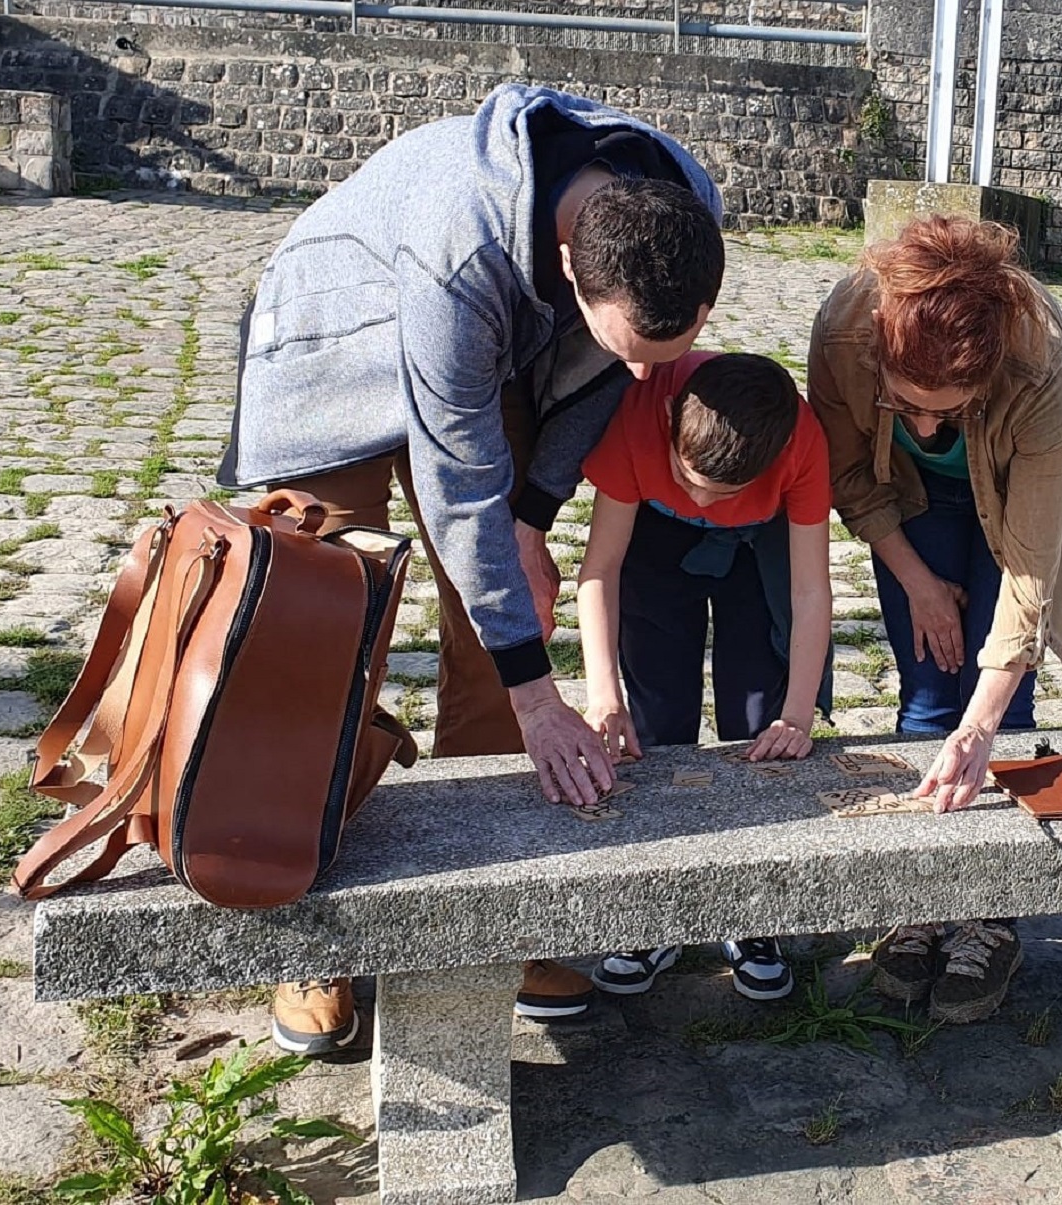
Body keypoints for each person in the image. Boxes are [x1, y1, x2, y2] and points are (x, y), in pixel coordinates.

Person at [215, 83, 726, 1053]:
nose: (644, 373)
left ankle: (484, 909)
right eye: (629, 345)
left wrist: (534, 517)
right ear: (571, 269)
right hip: (336, 336)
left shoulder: (678, 203)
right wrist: (542, 696)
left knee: (499, 629)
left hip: (498, 346)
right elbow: (458, 482)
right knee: (321, 631)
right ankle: (310, 929)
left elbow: (603, 377)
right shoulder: (462, 245)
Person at [805, 215, 1062, 1024]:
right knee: (925, 688)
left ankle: (992, 909)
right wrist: (917, 581)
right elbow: (848, 471)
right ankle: (922, 892)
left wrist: (980, 729)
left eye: (947, 410)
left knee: (1000, 708)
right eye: (905, 403)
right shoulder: (844, 328)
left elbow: (1031, 570)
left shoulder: (1038, 364)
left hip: (1019, 491)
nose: (924, 426)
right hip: (909, 494)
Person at [573, 351, 832, 1001]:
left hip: (756, 548)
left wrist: (798, 714)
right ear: (668, 418)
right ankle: (654, 913)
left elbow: (809, 591)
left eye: (723, 493)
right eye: (692, 481)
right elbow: (600, 569)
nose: (702, 501)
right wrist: (603, 694)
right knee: (657, 725)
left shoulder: (800, 438)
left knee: (758, 724)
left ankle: (753, 915)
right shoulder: (640, 414)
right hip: (653, 540)